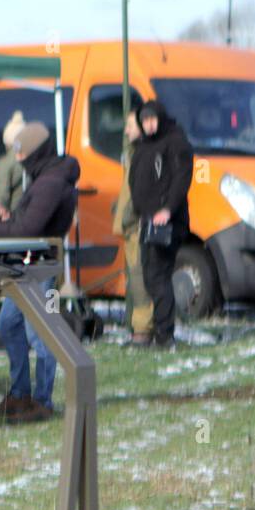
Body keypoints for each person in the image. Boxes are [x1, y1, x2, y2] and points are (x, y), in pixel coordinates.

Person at [0, 121, 80, 423]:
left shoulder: (50, 182)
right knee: (9, 324)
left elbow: (29, 229)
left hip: (39, 266)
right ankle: (22, 394)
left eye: (22, 154)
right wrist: (8, 220)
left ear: (35, 153)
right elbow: (28, 222)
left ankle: (41, 400)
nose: (19, 160)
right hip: (29, 264)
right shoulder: (45, 178)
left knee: (40, 333)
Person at [129, 100, 193, 347]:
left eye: (152, 119)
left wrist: (167, 209)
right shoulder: (145, 146)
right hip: (148, 221)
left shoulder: (176, 142)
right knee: (150, 274)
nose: (149, 125)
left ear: (161, 118)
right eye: (144, 121)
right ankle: (160, 332)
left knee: (158, 274)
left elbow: (181, 179)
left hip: (167, 223)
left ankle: (165, 335)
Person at [111, 109, 154, 344]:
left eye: (130, 126)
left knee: (139, 279)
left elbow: (138, 194)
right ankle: (141, 327)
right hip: (131, 225)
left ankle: (143, 330)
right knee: (136, 277)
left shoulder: (143, 155)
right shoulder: (134, 153)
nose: (126, 130)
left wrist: (127, 214)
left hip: (136, 225)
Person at [0, 110, 27, 214]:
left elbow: (1, 192)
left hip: (15, 215)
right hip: (32, 216)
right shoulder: (31, 156)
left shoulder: (5, 162)